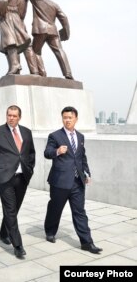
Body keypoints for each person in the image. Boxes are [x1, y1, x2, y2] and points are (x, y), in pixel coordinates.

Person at [44, 106, 103, 254]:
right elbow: (47, 153)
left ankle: (87, 242)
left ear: (76, 118)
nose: (67, 120)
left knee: (80, 212)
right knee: (55, 209)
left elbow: (82, 157)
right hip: (60, 182)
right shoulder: (55, 136)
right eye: (65, 117)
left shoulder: (81, 137)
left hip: (78, 182)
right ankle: (50, 231)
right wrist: (57, 151)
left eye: (70, 117)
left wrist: (87, 173)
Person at [0, 105, 35, 258]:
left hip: (22, 177)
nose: (11, 118)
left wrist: (30, 169)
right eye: (9, 115)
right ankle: (18, 245)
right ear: (6, 115)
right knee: (10, 210)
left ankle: (3, 232)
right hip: (5, 177)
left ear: (19, 117)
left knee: (14, 209)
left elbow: (31, 153)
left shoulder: (27, 132)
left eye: (14, 115)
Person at [20, 0, 74, 79]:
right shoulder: (54, 5)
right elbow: (64, 17)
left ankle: (42, 73)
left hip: (41, 30)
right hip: (53, 31)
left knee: (35, 51)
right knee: (59, 50)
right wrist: (66, 31)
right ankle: (68, 73)